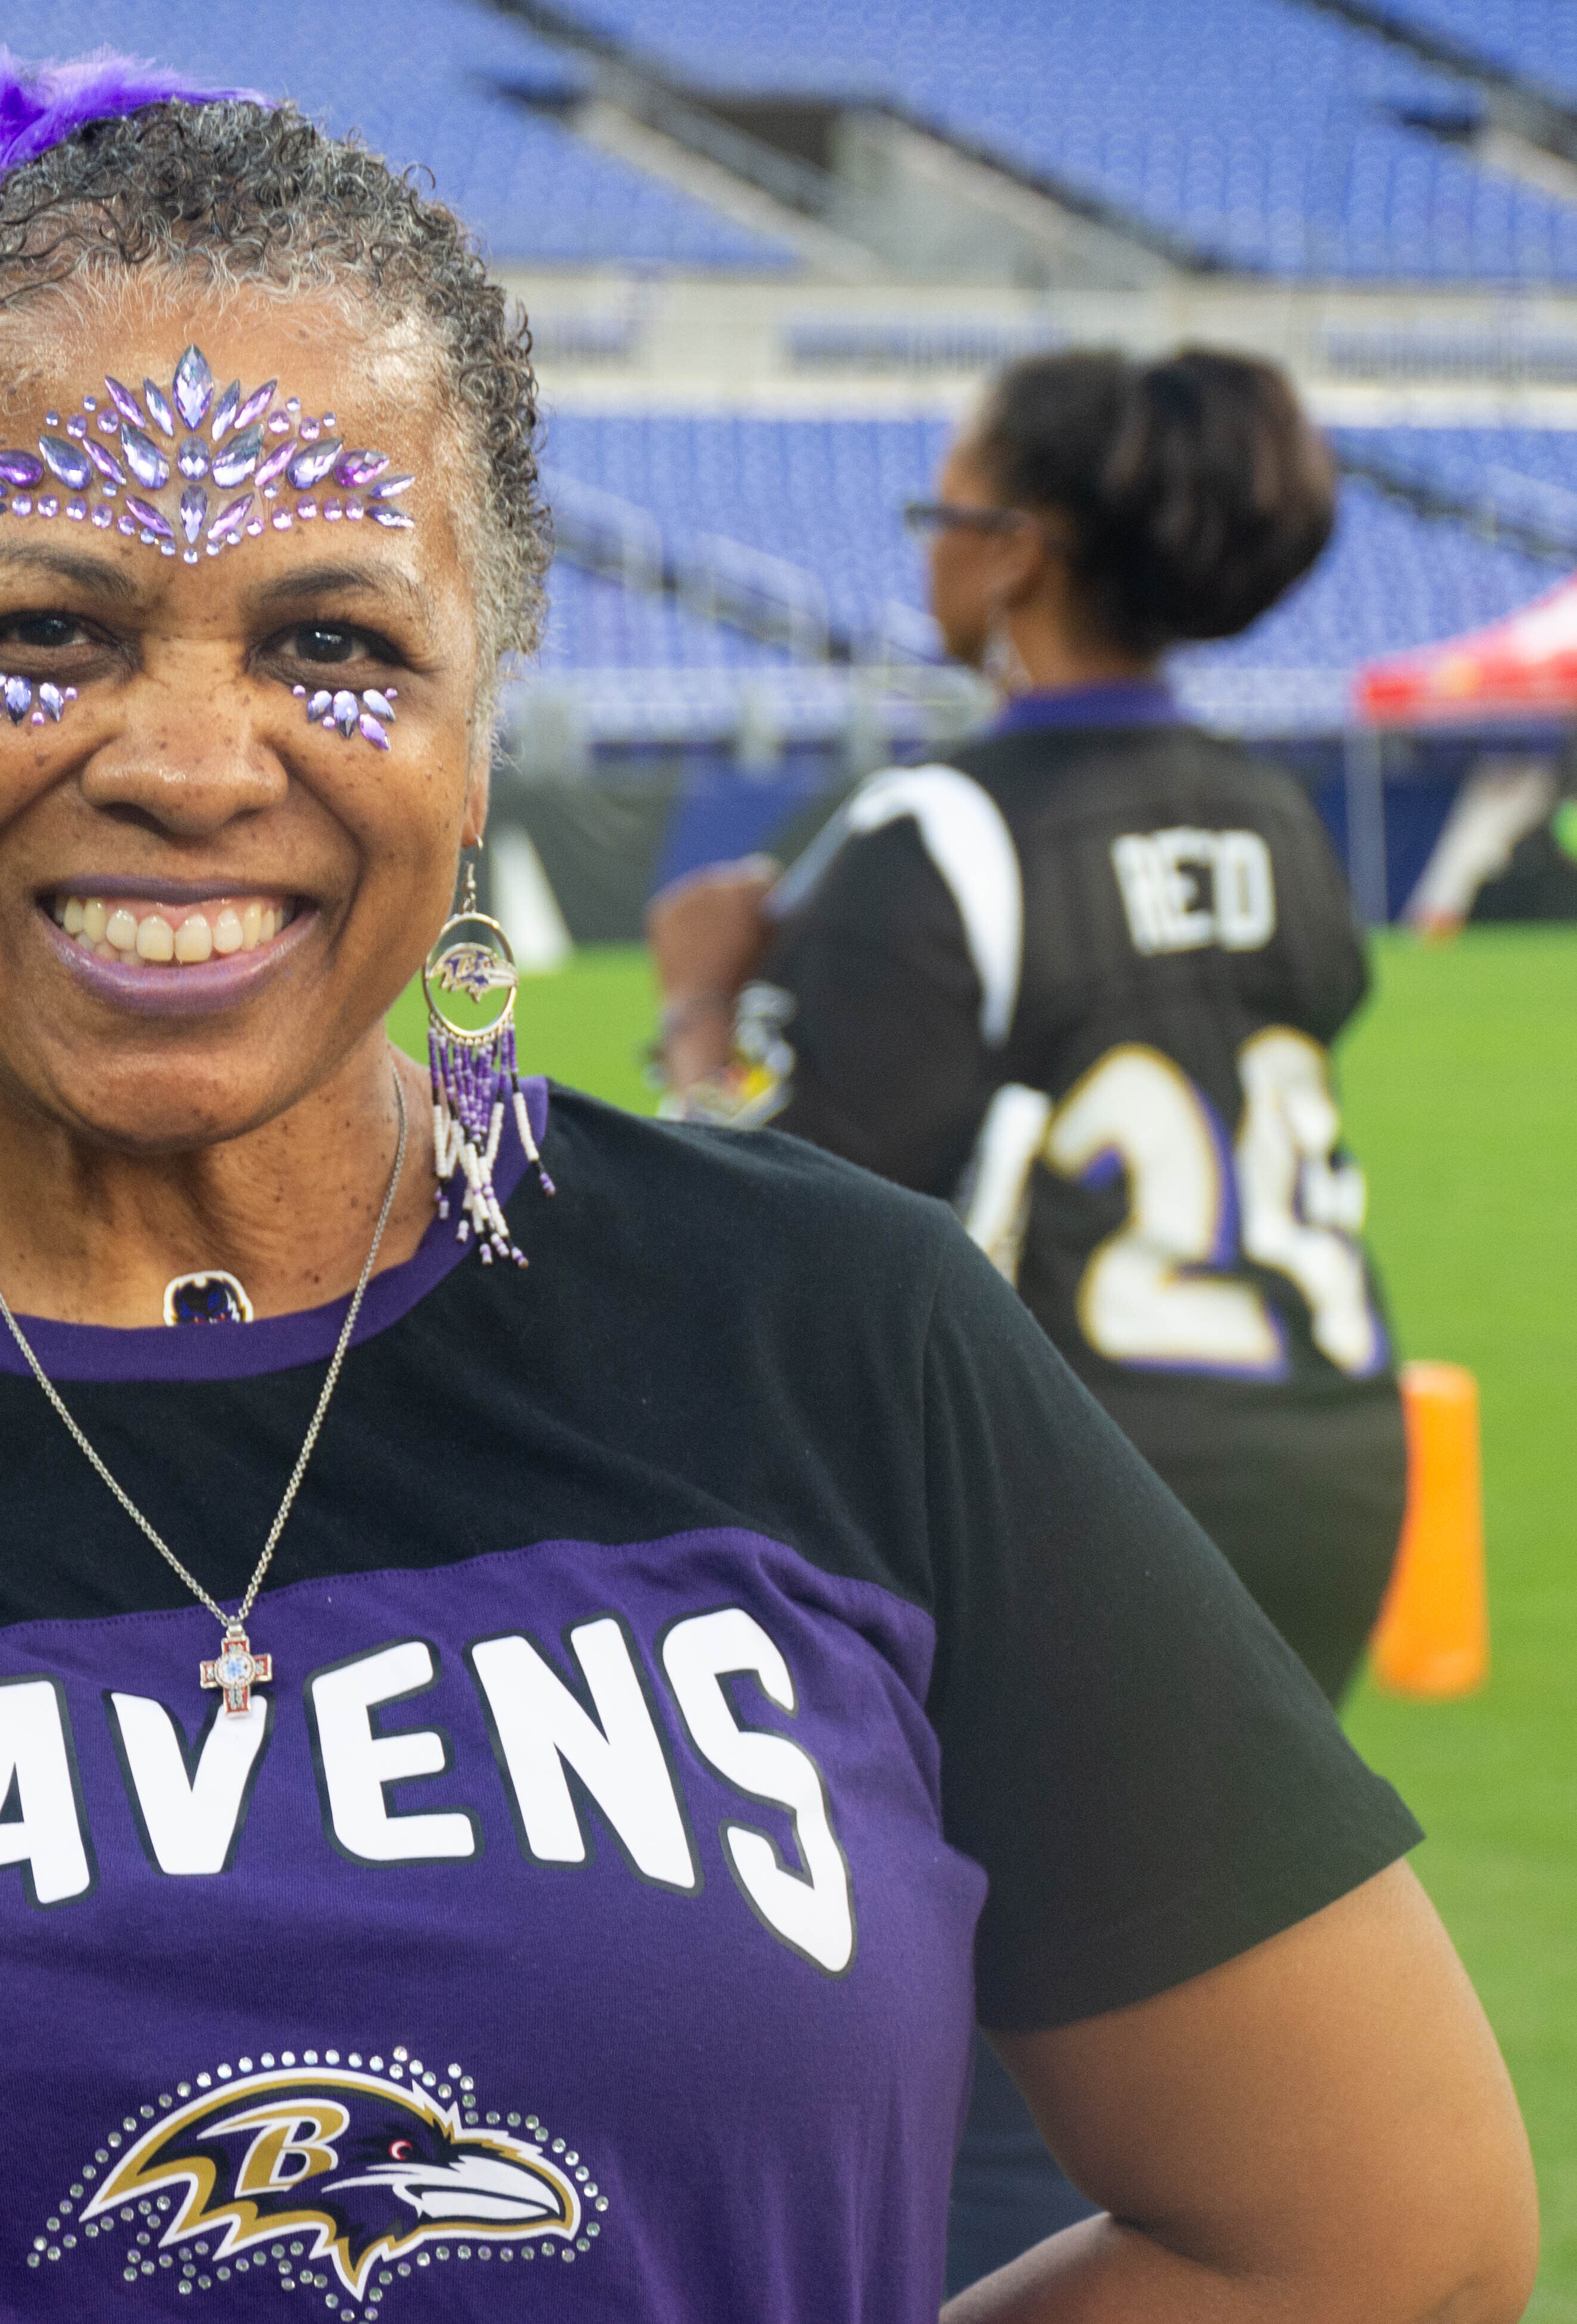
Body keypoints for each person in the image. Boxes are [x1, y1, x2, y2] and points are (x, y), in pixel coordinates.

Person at [0, 80, 1534, 2324]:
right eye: (36, 633)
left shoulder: (836, 1330)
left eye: (329, 641)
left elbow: (1376, 2225)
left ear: (482, 692)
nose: (186, 760)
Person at [653, 346, 1419, 2288]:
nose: (925, 552)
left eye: (943, 515)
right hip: (1325, 1456)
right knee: (1176, 2011)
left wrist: (696, 1019)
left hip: (1081, 1496)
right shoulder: (1269, 807)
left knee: (1011, 2071)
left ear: (1012, 559)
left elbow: (780, 1246)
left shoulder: (935, 835)